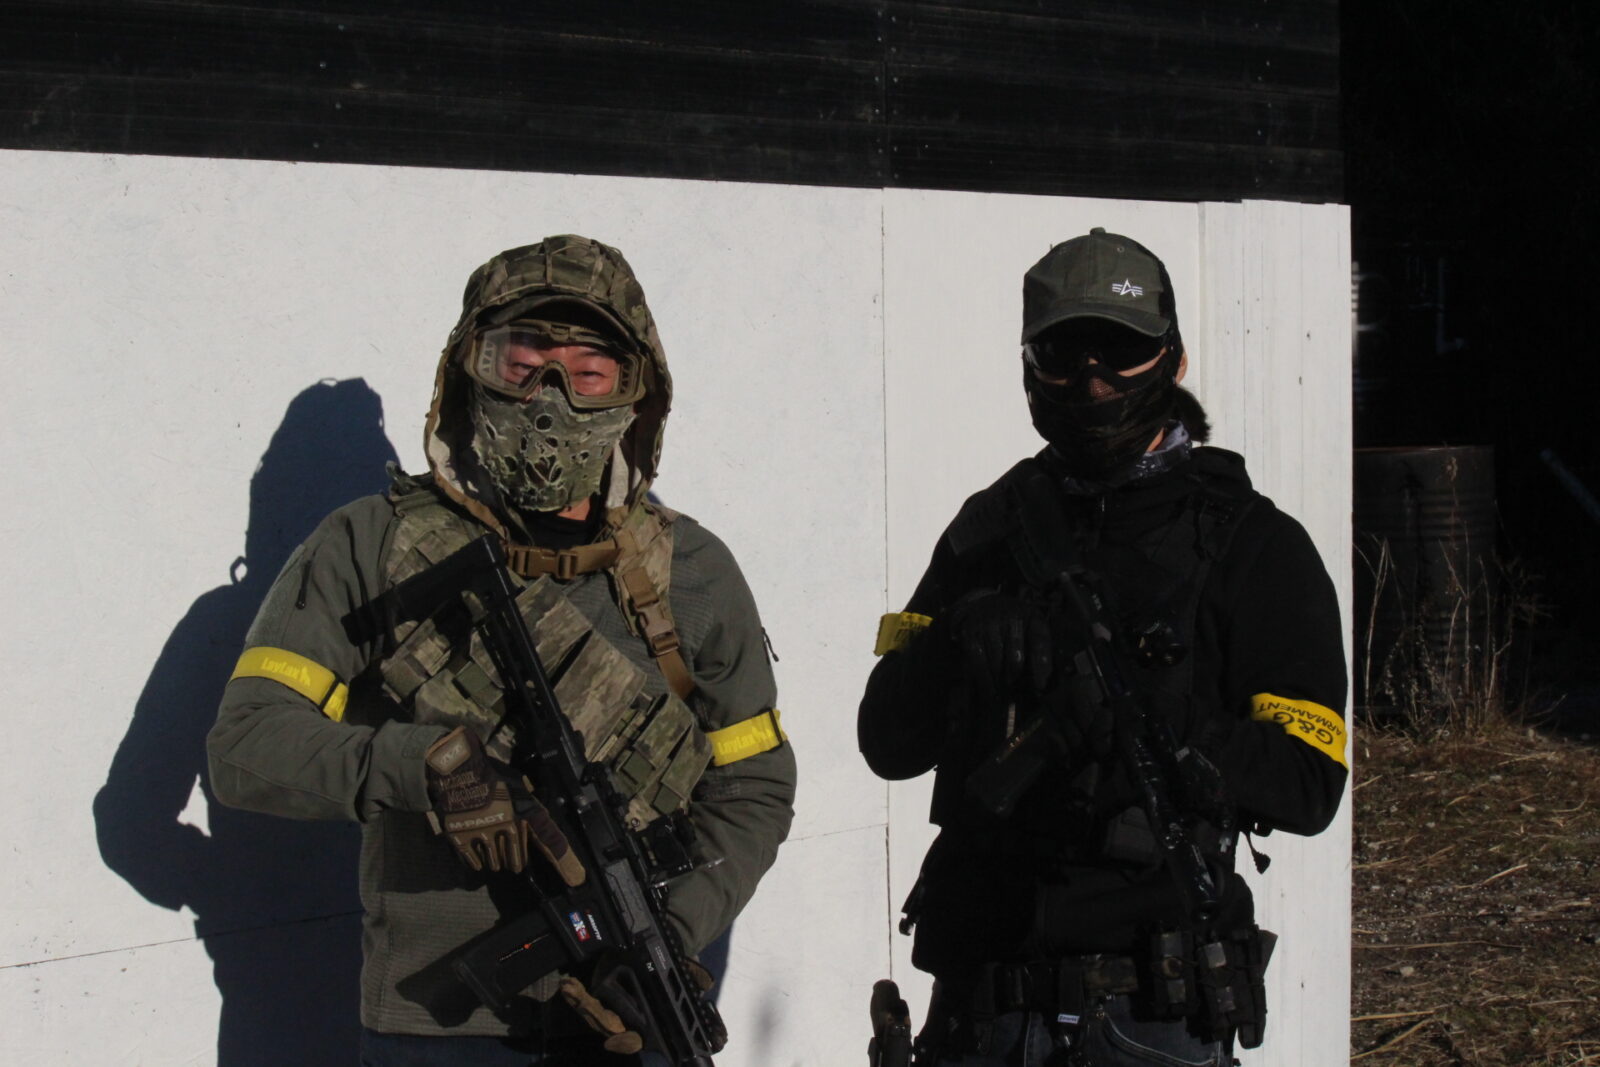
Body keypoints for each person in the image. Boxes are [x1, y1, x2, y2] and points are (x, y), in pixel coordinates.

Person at [207, 235, 797, 1065]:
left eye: (589, 371)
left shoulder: (691, 574)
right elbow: (245, 745)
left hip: (625, 1022)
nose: (550, 397)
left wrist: (667, 931)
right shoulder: (371, 544)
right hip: (436, 1029)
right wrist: (422, 766)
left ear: (636, 392)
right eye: (520, 361)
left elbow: (755, 784)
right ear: (468, 369)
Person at [858, 229, 1347, 1065]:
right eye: (1063, 355)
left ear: (1173, 359)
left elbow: (1309, 781)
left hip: (1148, 1011)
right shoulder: (990, 528)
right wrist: (959, 639)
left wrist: (1152, 715)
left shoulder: (1252, 544)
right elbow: (886, 739)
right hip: (981, 1008)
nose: (1092, 379)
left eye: (1119, 351)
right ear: (1027, 366)